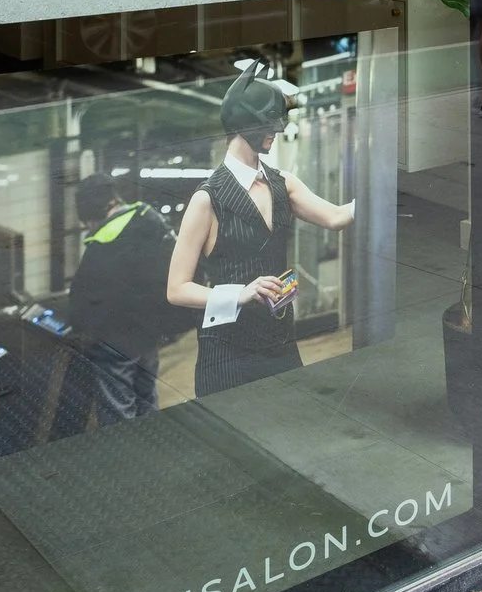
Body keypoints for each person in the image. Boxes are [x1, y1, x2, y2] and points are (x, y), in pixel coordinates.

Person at [165, 68, 355, 395]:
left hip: (280, 341)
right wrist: (239, 294)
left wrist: (384, 188)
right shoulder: (208, 199)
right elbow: (176, 288)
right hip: (227, 352)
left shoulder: (284, 184)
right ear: (244, 124)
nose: (277, 131)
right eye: (269, 124)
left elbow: (337, 217)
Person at [62, 174, 188, 421]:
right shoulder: (150, 222)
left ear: (93, 213)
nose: (88, 227)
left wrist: (79, 328)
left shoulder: (106, 241)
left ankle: (125, 446)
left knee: (118, 408)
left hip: (116, 339)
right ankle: (151, 441)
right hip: (149, 332)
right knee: (146, 397)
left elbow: (84, 295)